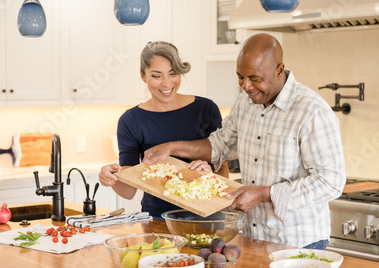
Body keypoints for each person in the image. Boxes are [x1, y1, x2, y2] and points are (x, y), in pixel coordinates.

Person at [143, 33, 346, 249]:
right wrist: (172, 148)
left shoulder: (311, 110)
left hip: (298, 242)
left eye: (255, 78)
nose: (246, 86)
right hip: (253, 236)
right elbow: (221, 144)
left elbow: (330, 182)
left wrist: (263, 194)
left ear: (279, 70)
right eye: (240, 77)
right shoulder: (246, 102)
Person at [99, 41, 229, 219]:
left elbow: (223, 173)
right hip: (157, 218)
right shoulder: (131, 121)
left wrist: (210, 174)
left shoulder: (205, 109)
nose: (167, 83)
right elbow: (128, 191)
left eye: (173, 73)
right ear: (143, 76)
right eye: (156, 75)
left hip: (207, 216)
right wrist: (110, 178)